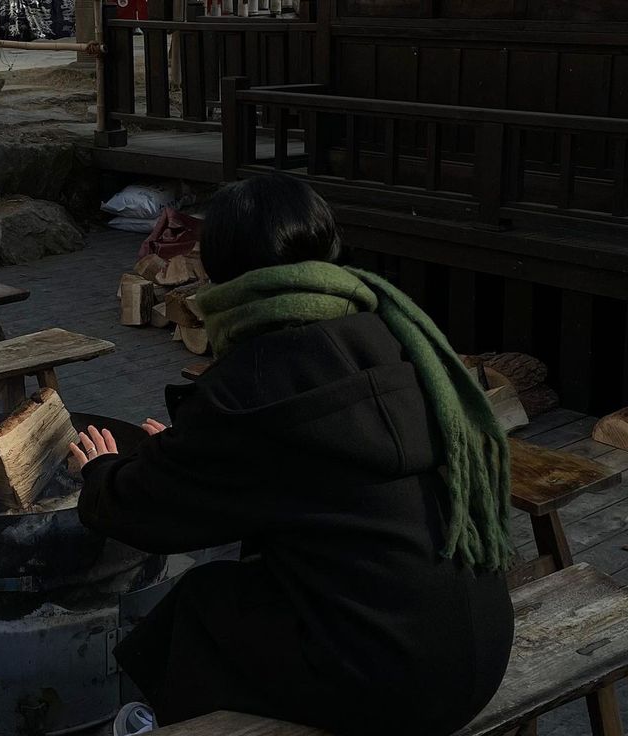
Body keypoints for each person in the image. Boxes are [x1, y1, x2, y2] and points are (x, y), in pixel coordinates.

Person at [71, 174, 515, 736]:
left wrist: (100, 471)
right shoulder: (393, 334)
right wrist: (186, 454)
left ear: (219, 266)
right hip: (479, 645)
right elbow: (293, 470)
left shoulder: (252, 380)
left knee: (199, 607)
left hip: (397, 681)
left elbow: (151, 514)